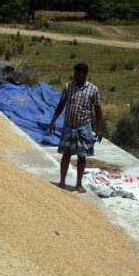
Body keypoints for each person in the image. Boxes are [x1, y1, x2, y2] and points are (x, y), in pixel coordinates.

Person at [48, 62, 103, 193]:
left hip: (83, 127)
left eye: (79, 74)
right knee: (66, 154)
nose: (76, 77)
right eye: (75, 74)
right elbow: (61, 104)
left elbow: (98, 109)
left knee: (82, 156)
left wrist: (100, 128)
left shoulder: (93, 90)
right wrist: (53, 121)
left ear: (85, 74)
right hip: (69, 126)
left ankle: (78, 184)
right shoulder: (68, 87)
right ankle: (62, 181)